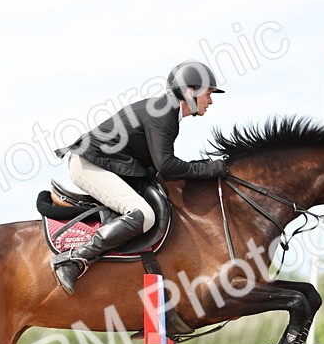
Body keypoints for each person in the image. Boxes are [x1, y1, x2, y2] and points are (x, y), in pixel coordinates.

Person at [50, 60, 228, 295]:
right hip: (89, 164)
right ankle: (73, 259)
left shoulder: (168, 111)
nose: (211, 101)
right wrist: (214, 169)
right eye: (209, 93)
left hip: (109, 165)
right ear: (190, 92)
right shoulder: (164, 112)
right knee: (142, 214)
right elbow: (166, 166)